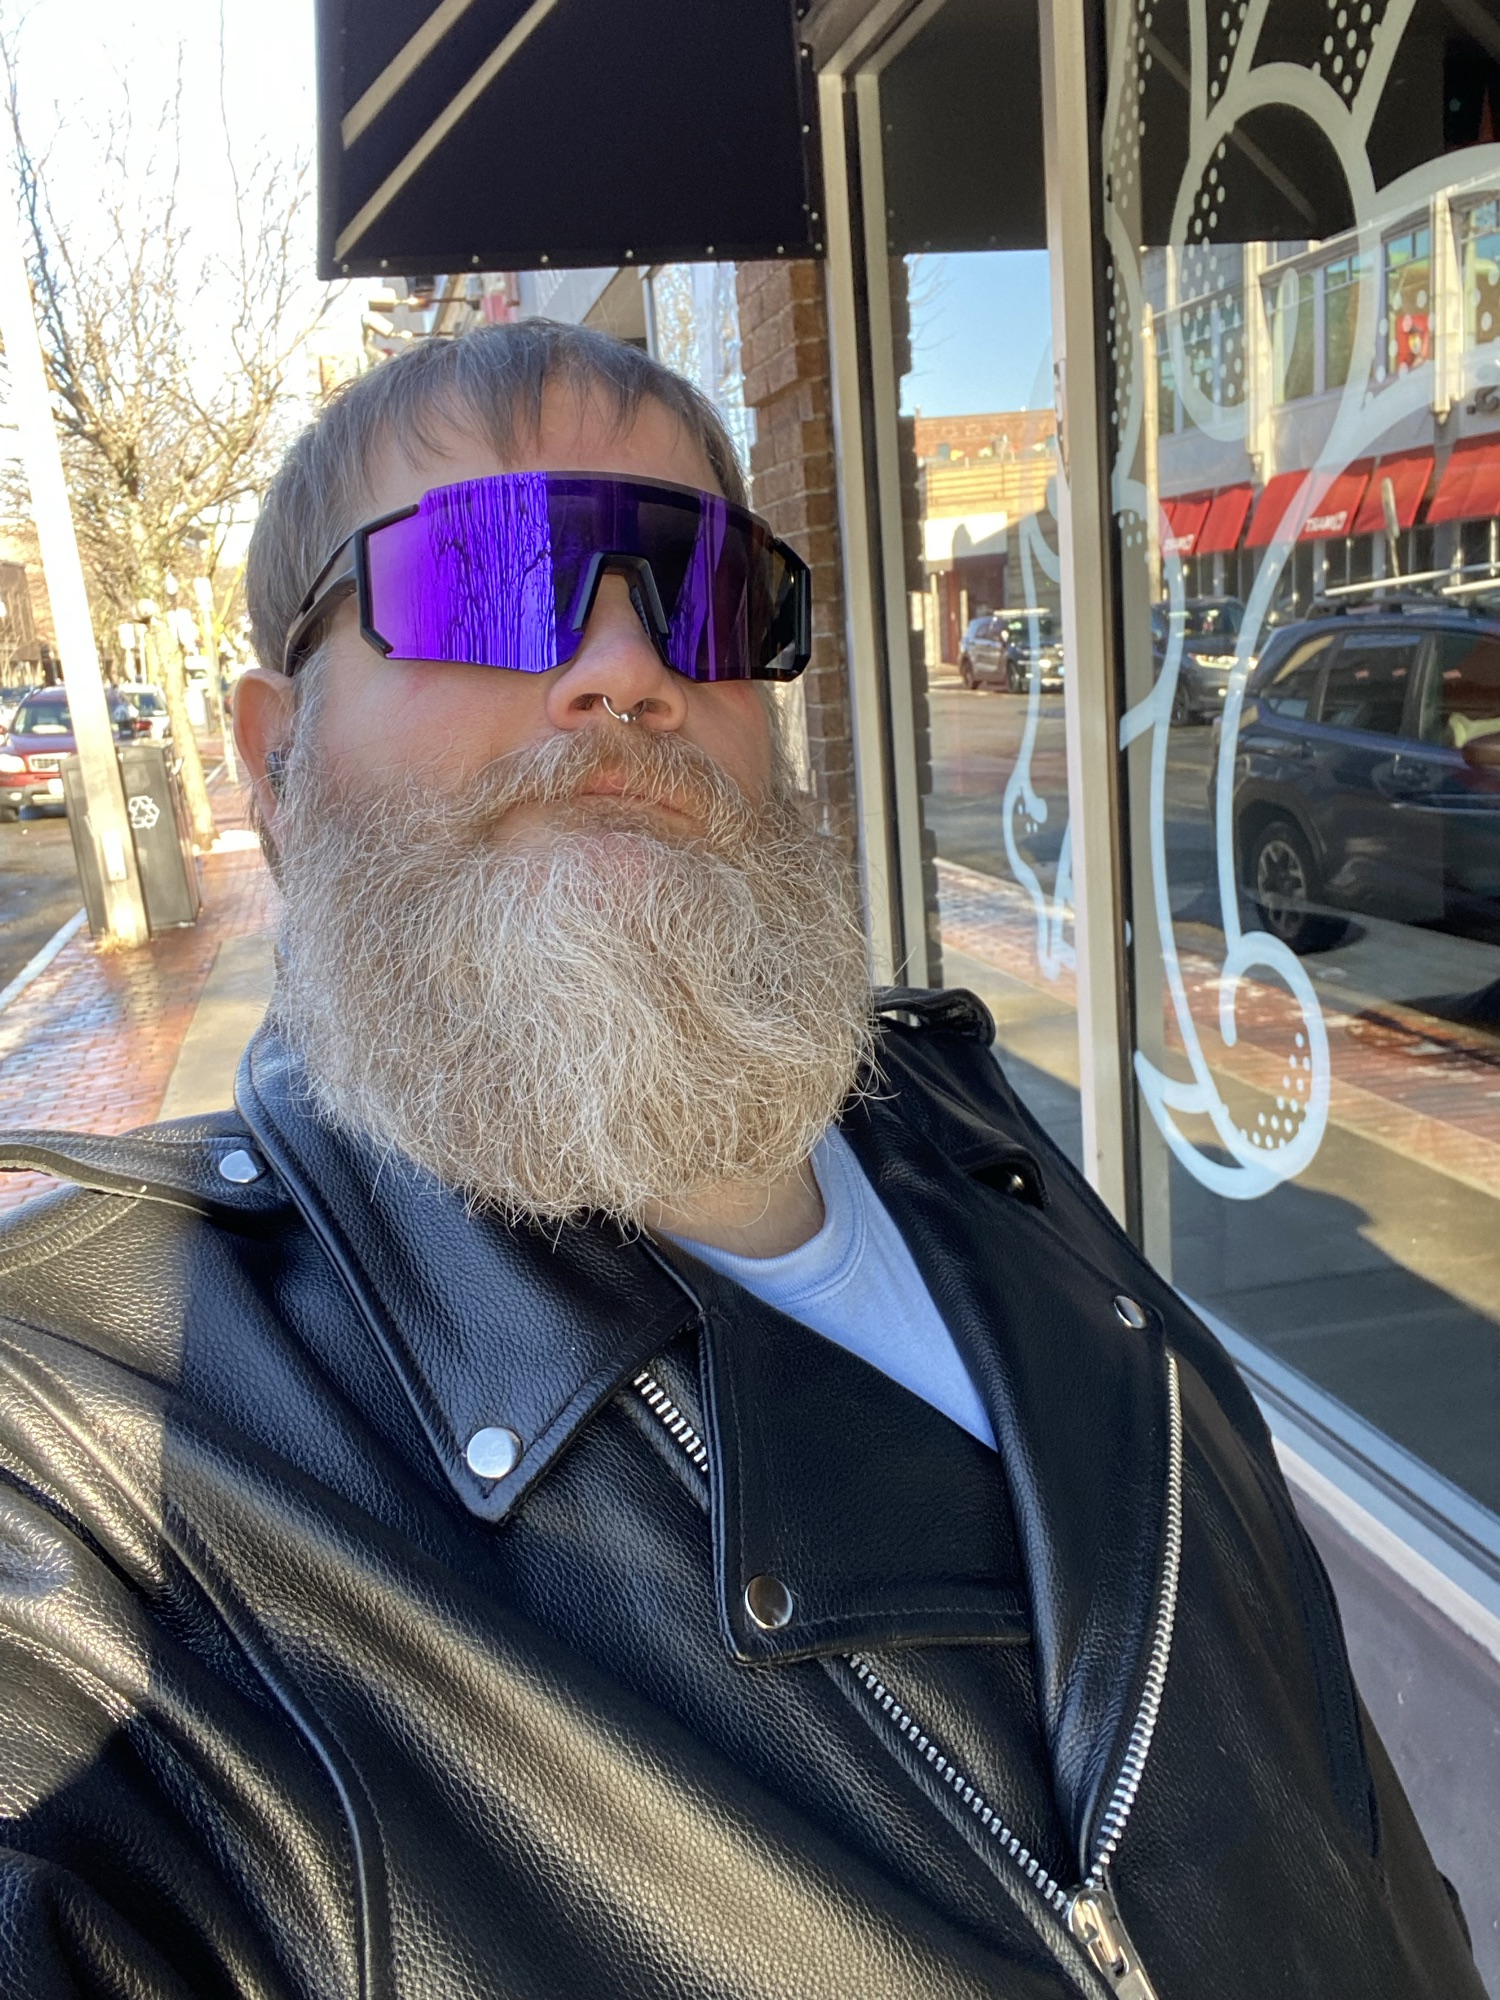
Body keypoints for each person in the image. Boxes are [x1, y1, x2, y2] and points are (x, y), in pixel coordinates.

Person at [0, 320, 1480, 2000]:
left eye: (702, 596)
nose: (627, 670)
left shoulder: (967, 1128)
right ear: (274, 756)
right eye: (493, 578)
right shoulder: (102, 1454)